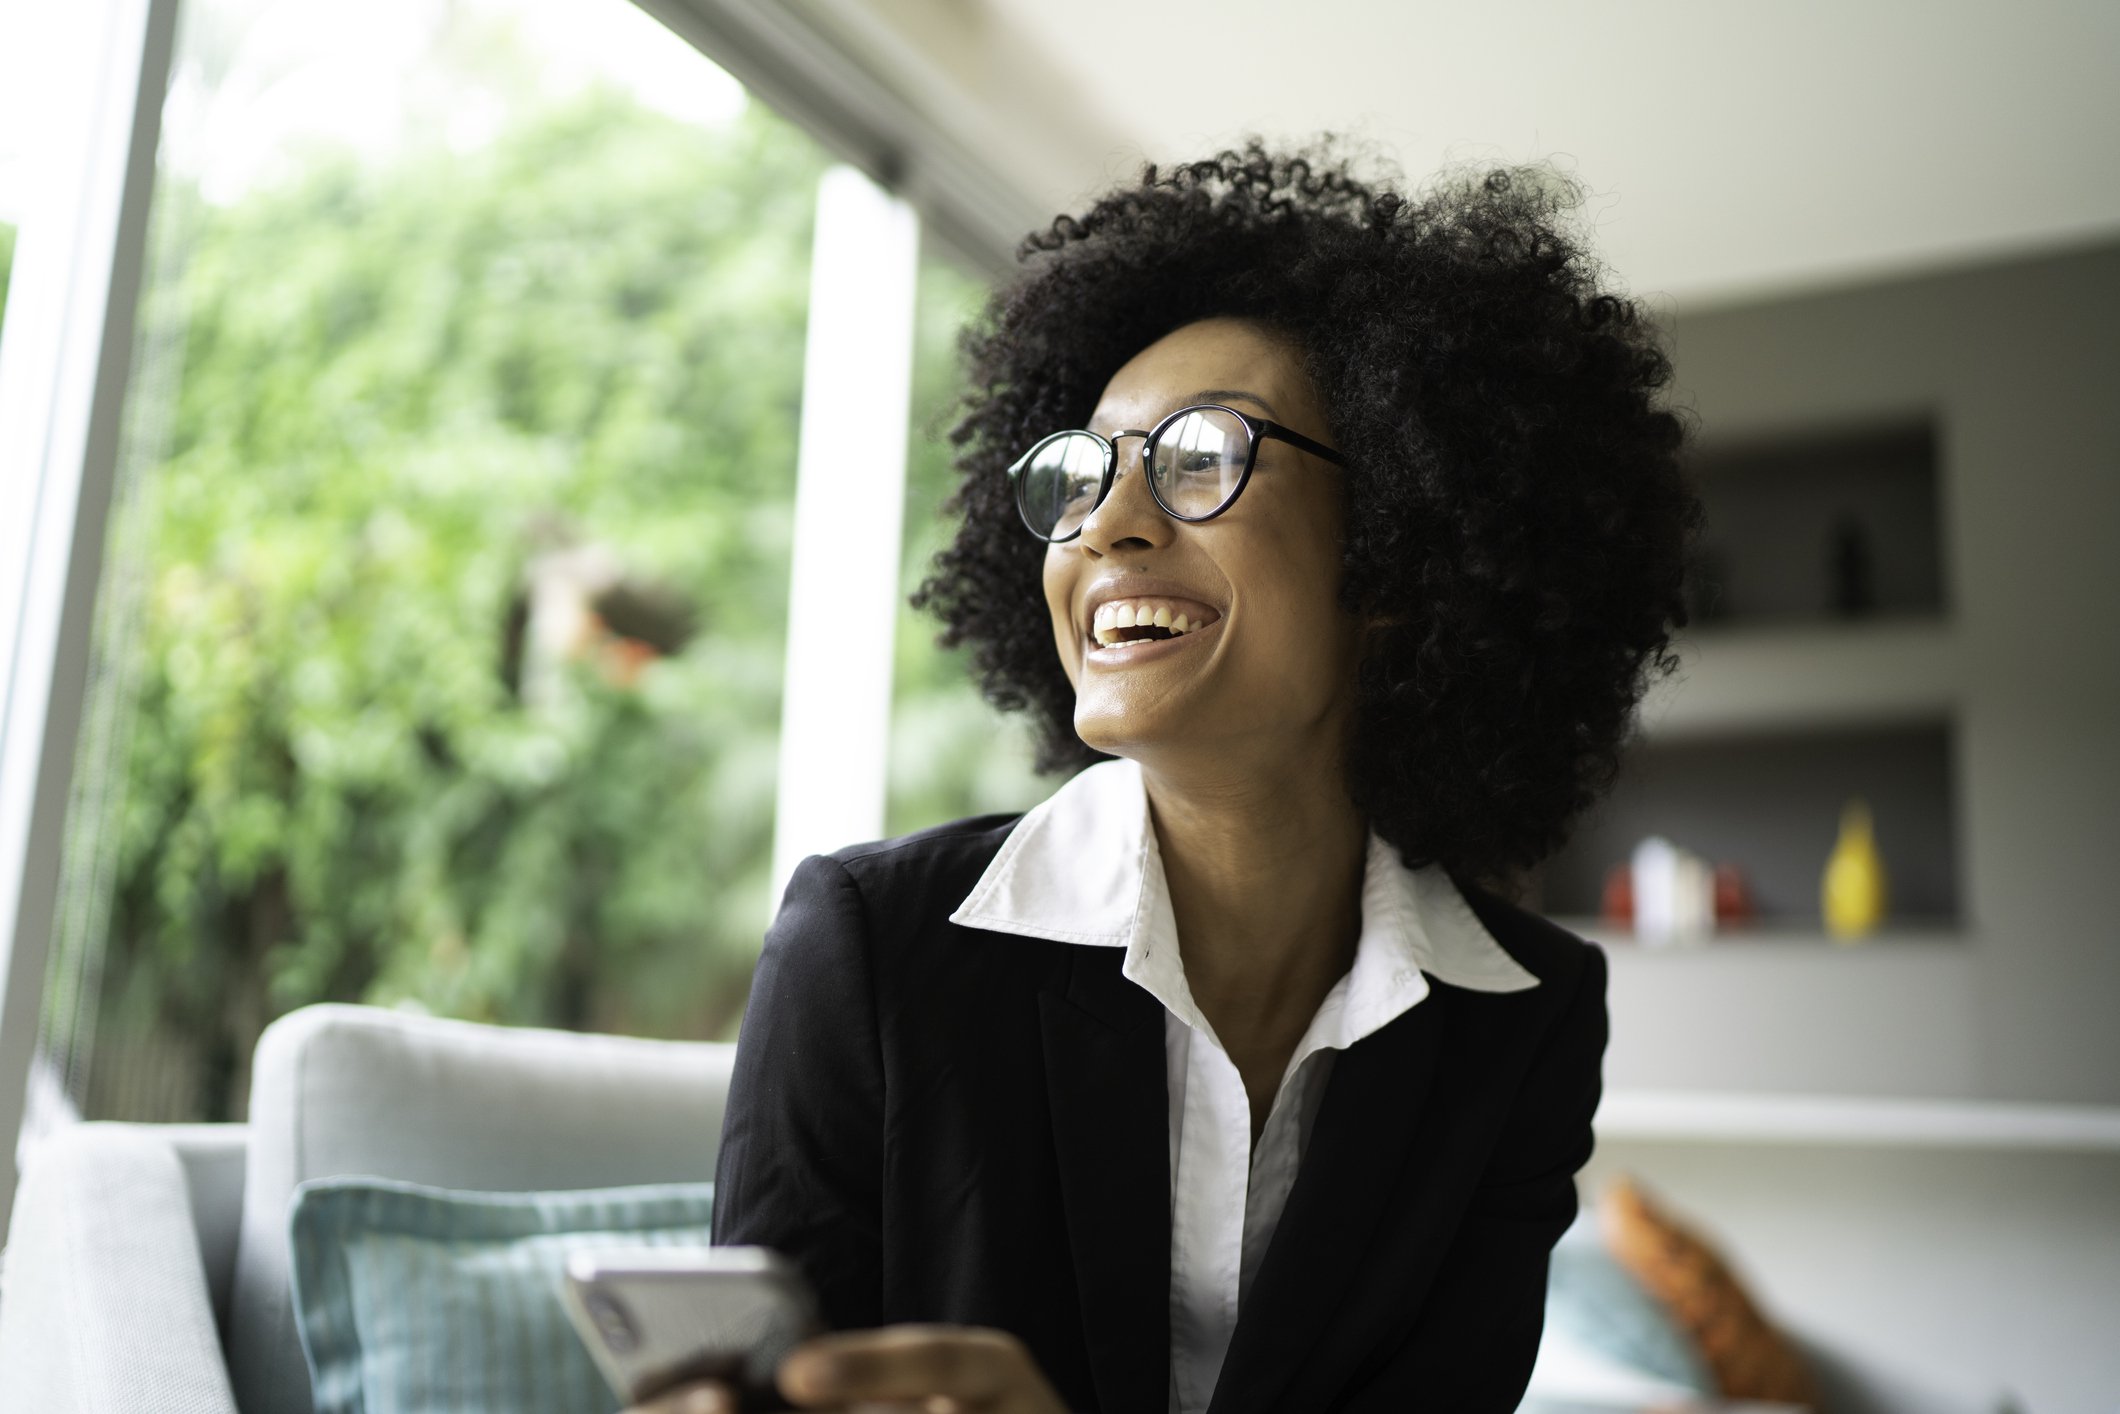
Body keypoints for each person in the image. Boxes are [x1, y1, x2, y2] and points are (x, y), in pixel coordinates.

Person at [634, 143, 1697, 1414]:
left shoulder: (1523, 1018)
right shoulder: (865, 950)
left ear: (1401, 557)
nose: (1106, 523)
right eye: (1079, 471)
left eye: (1199, 458)